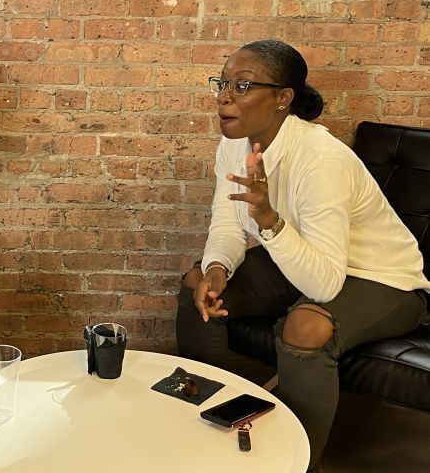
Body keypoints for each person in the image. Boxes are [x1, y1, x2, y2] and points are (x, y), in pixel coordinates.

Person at [175, 39, 429, 471]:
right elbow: (227, 223)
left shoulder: (321, 159)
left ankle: (294, 459)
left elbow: (325, 284)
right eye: (223, 83)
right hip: (304, 260)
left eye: (242, 85)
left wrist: (269, 217)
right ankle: (197, 417)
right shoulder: (235, 146)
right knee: (198, 284)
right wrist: (218, 267)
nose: (223, 96)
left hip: (383, 278)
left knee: (305, 326)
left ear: (282, 99)